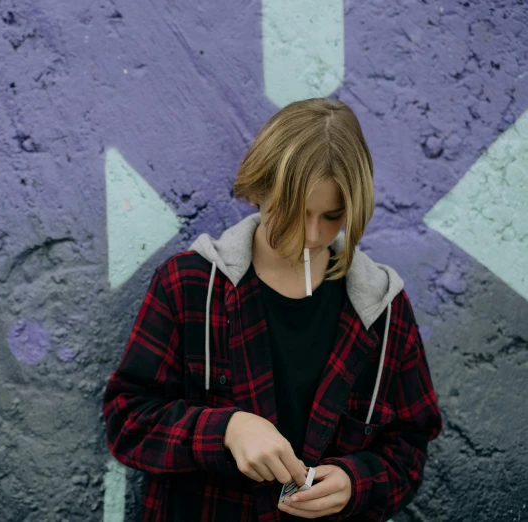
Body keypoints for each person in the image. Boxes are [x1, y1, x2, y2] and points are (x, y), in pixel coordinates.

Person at [102, 98, 443, 521]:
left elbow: (409, 448)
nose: (313, 234)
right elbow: (127, 420)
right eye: (296, 213)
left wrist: (356, 482)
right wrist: (226, 429)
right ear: (259, 189)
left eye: (332, 216)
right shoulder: (188, 286)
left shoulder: (384, 312)